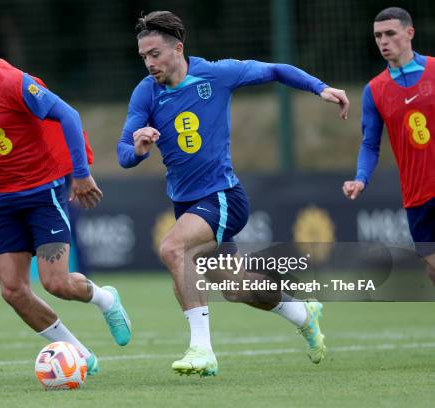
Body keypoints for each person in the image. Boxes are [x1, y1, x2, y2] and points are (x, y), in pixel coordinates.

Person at [118, 11, 349, 376]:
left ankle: (202, 350)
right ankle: (303, 313)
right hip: (186, 204)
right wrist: (139, 149)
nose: (149, 63)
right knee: (236, 289)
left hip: (223, 197)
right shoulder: (145, 93)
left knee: (173, 248)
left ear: (178, 48)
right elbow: (123, 153)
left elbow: (276, 70)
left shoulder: (216, 74)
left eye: (155, 54)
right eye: (143, 56)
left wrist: (320, 88)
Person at [0, 18, 132, 376]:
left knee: (56, 283)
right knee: (12, 290)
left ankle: (105, 299)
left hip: (43, 192)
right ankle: (79, 354)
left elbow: (68, 115)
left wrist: (81, 174)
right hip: (0, 202)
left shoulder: (12, 82)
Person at [342, 7, 435, 284]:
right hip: (417, 193)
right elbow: (370, 145)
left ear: (409, 33)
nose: (383, 41)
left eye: (390, 34)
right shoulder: (375, 90)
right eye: (378, 36)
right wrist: (361, 178)